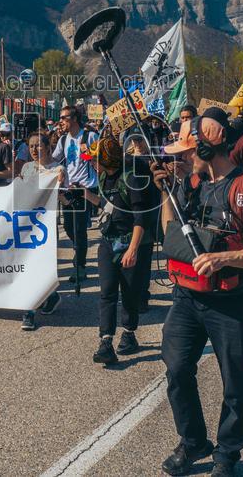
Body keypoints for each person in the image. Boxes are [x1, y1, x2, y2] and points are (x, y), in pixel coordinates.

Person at [156, 109, 243, 477]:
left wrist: (225, 257)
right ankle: (193, 441)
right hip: (187, 297)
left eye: (185, 153)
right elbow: (170, 235)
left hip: (230, 303)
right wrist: (168, 191)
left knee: (235, 381)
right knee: (176, 368)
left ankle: (227, 453)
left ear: (207, 150)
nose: (180, 159)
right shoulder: (189, 185)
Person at [91, 136, 159, 364]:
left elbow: (141, 217)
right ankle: (106, 340)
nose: (91, 163)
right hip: (108, 241)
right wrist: (82, 195)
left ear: (106, 159)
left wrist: (133, 249)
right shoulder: (104, 176)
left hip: (130, 241)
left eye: (95, 159)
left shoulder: (132, 178)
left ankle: (129, 333)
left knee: (130, 293)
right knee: (107, 292)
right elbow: (107, 205)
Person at [17, 130, 64, 331]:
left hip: (46, 225)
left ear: (48, 147)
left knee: (40, 265)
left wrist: (60, 181)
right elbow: (16, 190)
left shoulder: (57, 168)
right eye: (32, 146)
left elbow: (62, 193)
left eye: (39, 145)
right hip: (26, 223)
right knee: (27, 265)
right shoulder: (27, 168)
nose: (35, 149)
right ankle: (30, 309)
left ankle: (45, 298)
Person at [51, 105, 100, 283]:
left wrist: (90, 155)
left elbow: (100, 160)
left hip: (85, 189)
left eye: (63, 118)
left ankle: (80, 267)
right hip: (69, 190)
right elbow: (53, 160)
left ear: (74, 119)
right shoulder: (63, 140)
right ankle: (79, 253)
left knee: (79, 229)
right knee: (68, 227)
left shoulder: (90, 136)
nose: (61, 121)